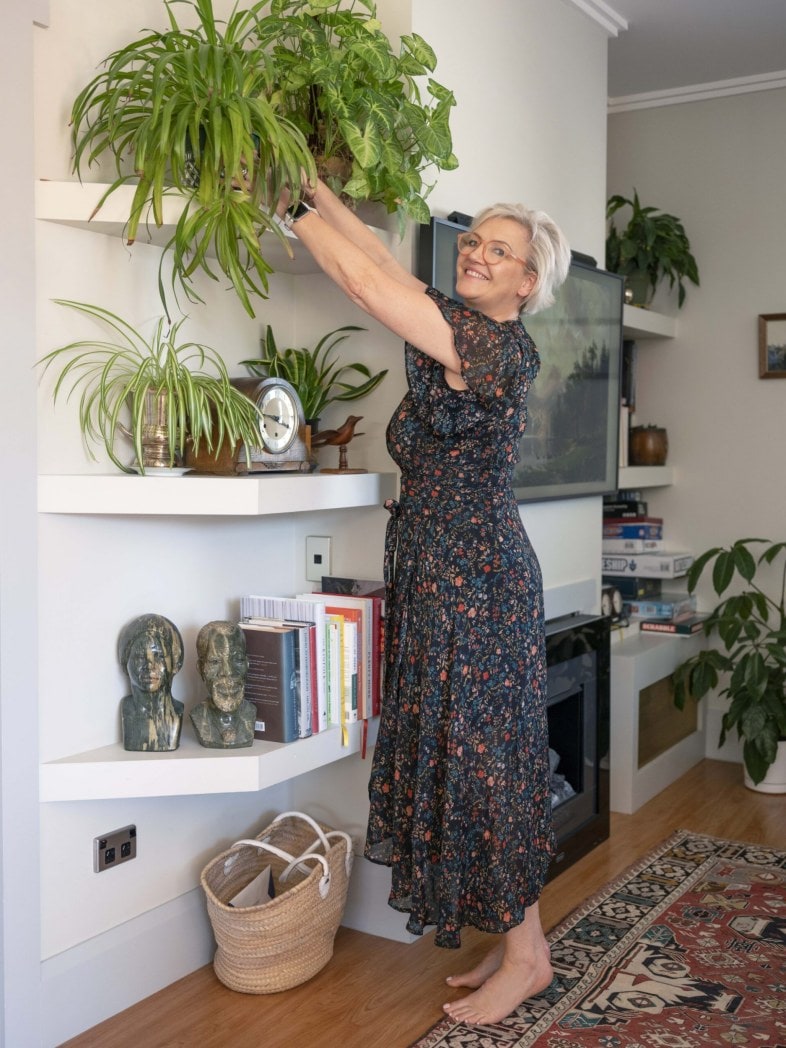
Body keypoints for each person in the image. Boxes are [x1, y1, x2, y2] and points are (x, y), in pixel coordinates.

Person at [278, 177, 570, 1025]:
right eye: (474, 239)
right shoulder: (465, 329)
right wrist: (315, 188)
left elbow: (366, 286)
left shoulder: (496, 351)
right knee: (479, 757)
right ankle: (531, 948)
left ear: (527, 283)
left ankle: (524, 959)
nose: (477, 252)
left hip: (475, 582)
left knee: (485, 767)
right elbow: (376, 259)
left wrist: (282, 208)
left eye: (500, 249)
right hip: (442, 575)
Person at [118, 613, 184, 751]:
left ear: (175, 664)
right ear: (125, 663)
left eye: (159, 656)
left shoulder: (176, 714)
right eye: (140, 656)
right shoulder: (127, 711)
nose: (149, 666)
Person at [190, 620, 255, 748]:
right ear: (201, 669)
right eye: (215, 662)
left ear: (247, 664)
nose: (228, 672)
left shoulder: (251, 712)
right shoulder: (198, 715)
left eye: (237, 659)